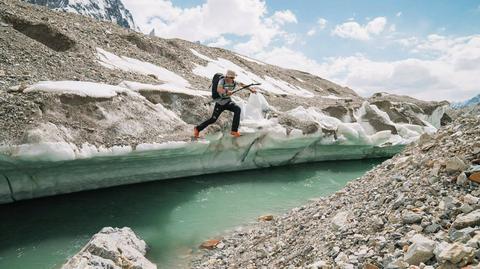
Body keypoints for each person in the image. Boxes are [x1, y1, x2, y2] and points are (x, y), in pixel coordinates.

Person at [194, 70, 256, 138]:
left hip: (228, 102)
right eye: (231, 78)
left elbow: (242, 84)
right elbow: (219, 89)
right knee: (213, 119)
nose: (232, 79)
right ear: (227, 76)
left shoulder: (233, 82)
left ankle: (234, 131)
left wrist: (250, 89)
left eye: (233, 78)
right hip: (220, 103)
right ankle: (197, 129)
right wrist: (227, 91)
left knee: (237, 109)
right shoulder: (222, 81)